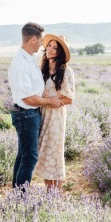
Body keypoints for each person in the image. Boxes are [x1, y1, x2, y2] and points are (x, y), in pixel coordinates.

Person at [8, 22, 57, 189]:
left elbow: (32, 90)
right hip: (26, 114)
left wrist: (42, 92)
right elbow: (28, 98)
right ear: (33, 40)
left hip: (29, 114)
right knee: (29, 158)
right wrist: (50, 101)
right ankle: (21, 198)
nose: (44, 44)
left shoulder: (28, 60)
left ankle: (16, 195)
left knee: (23, 155)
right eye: (42, 40)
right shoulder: (21, 63)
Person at [35, 34, 75, 189]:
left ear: (60, 52)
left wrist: (51, 99)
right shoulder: (41, 69)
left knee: (55, 154)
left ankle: (56, 196)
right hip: (41, 115)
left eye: (55, 47)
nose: (51, 50)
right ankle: (49, 192)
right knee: (44, 153)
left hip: (57, 118)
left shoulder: (66, 72)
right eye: (49, 46)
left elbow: (69, 99)